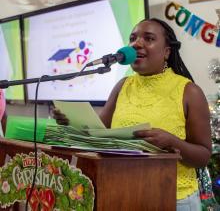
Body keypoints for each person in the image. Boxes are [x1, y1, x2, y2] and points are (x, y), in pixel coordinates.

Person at [53, 18, 211, 211]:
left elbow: (203, 156)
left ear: (167, 52)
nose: (137, 44)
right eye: (133, 38)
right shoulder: (122, 86)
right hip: (122, 192)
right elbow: (97, 133)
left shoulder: (189, 91)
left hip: (172, 198)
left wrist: (172, 142)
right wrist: (72, 122)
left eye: (149, 38)